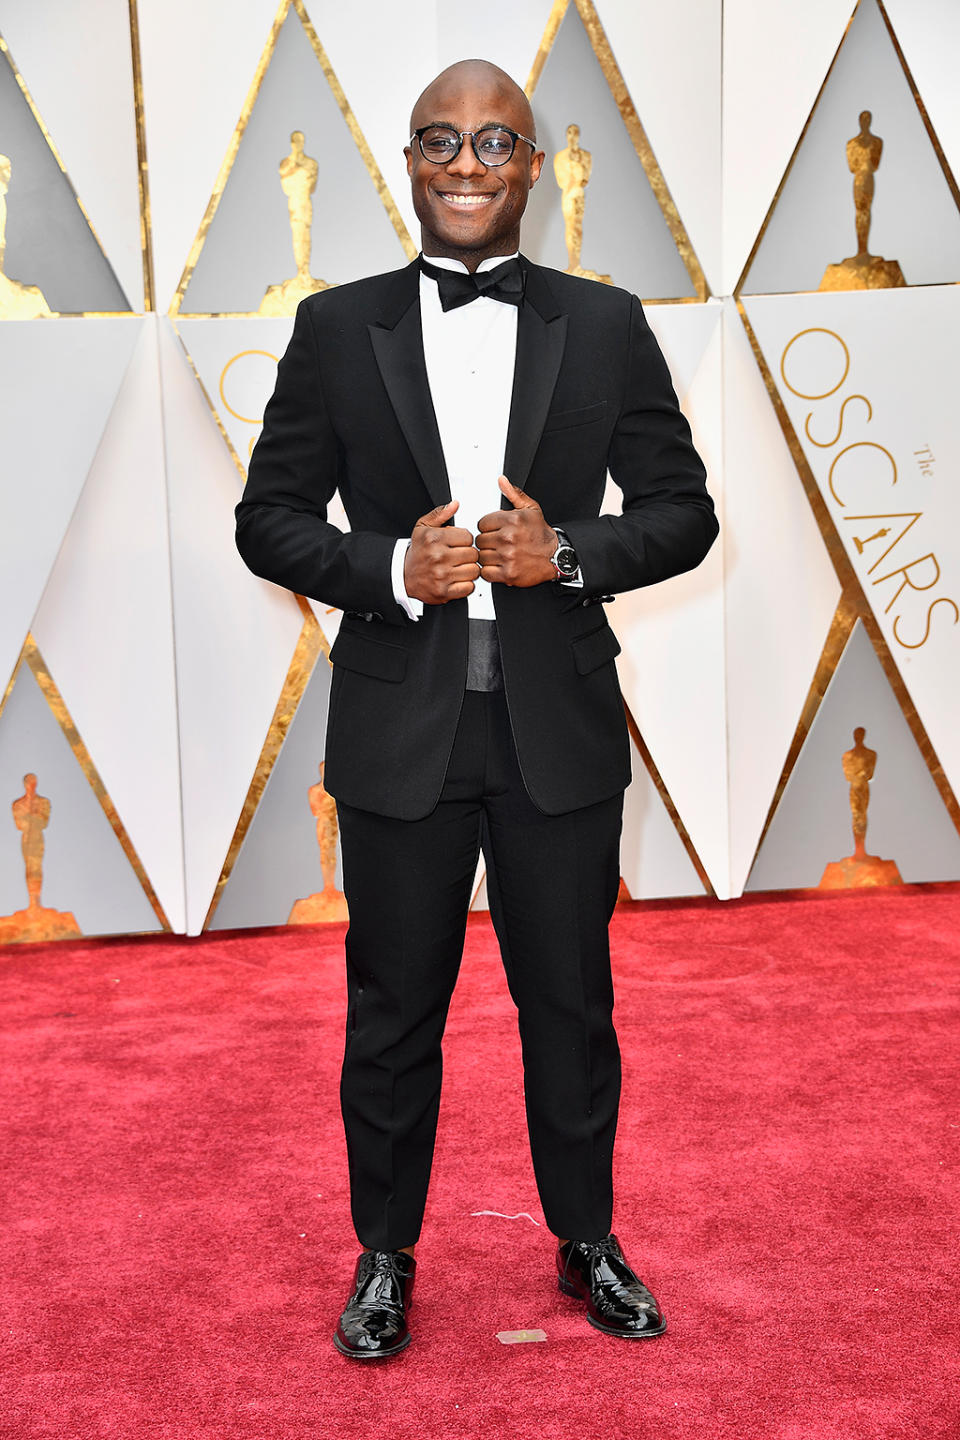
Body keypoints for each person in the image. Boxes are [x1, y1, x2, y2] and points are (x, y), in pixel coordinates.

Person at [236, 59, 717, 1358]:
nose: (464, 164)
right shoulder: (335, 329)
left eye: (493, 143)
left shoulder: (605, 325)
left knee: (570, 999)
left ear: (530, 164)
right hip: (402, 727)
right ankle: (385, 1259)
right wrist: (394, 567)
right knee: (395, 1003)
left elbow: (683, 514)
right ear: (407, 160)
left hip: (558, 722)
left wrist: (560, 554)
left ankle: (587, 1242)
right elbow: (268, 521)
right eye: (440, 141)